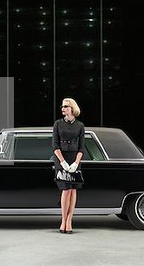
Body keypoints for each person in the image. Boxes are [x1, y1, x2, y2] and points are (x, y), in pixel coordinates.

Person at [52, 98, 85, 234]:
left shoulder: (80, 125)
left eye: (65, 106)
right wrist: (63, 162)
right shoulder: (58, 124)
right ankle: (63, 221)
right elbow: (55, 145)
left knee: (73, 190)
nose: (63, 108)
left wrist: (76, 163)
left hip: (75, 159)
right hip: (61, 158)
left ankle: (69, 220)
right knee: (65, 189)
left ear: (72, 108)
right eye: (62, 106)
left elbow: (82, 147)